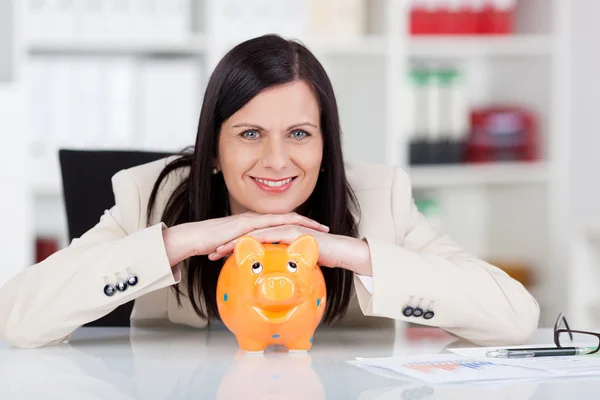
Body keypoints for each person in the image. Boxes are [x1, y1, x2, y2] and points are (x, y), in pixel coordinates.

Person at [0, 34, 539, 349]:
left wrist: (351, 253)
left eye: (300, 134)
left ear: (327, 144)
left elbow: (515, 318)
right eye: (250, 134)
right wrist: (178, 242)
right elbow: (17, 320)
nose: (277, 161)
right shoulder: (149, 196)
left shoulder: (378, 198)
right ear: (212, 148)